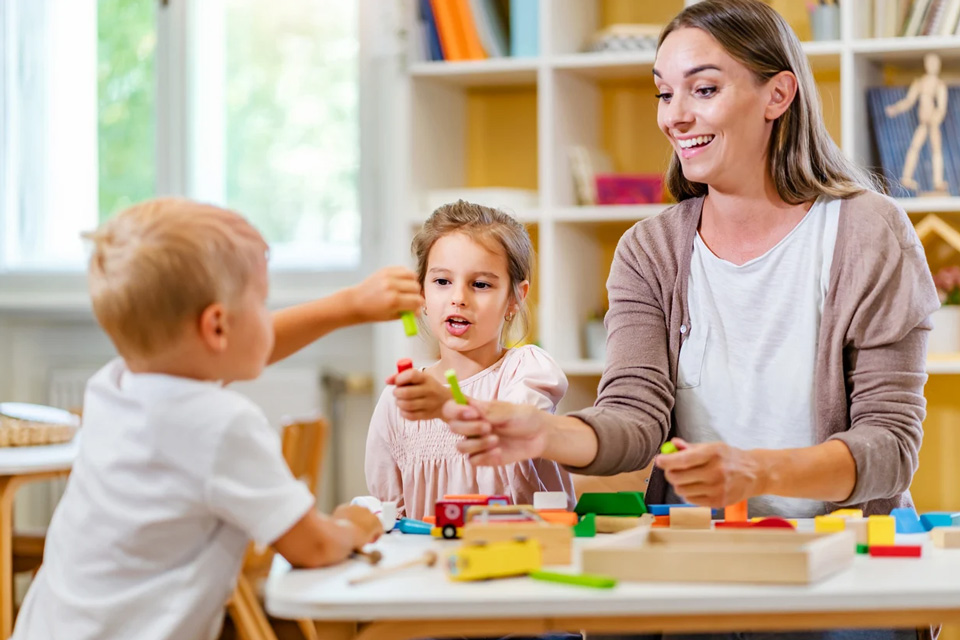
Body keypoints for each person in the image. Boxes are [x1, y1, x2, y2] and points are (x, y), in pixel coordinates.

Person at [443, 0, 938, 526]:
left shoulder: (868, 234)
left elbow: (890, 444)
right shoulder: (649, 251)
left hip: (843, 555)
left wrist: (759, 473)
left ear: (778, 95)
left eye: (704, 89)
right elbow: (633, 418)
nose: (674, 116)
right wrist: (546, 433)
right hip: (694, 550)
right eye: (664, 92)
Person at [12, 198, 421, 640]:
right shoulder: (220, 425)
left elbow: (227, 355)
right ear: (217, 327)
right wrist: (356, 524)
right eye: (262, 305)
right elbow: (315, 546)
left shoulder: (116, 385)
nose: (268, 318)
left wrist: (349, 306)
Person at [365, 201, 575, 520]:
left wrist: (445, 403)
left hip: (522, 555)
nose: (458, 297)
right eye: (442, 281)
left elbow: (515, 429)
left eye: (480, 284)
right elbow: (391, 511)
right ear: (421, 292)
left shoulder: (528, 370)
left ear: (515, 298)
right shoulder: (399, 402)